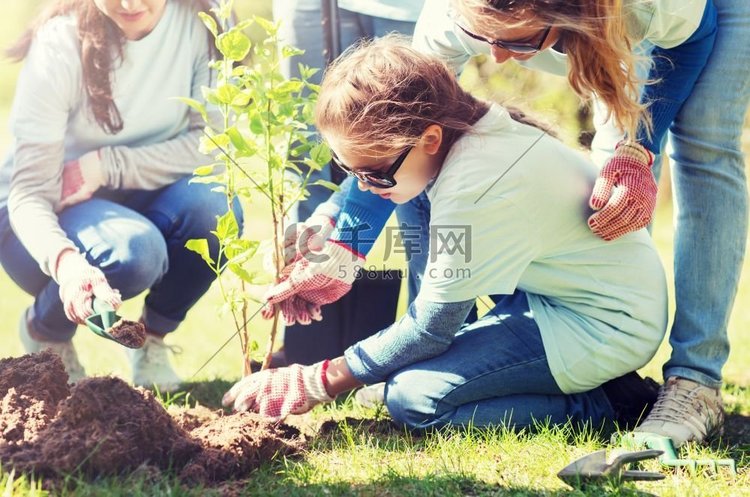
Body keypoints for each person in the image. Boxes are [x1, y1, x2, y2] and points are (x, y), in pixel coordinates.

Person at [265, 0, 750, 446]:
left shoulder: (639, 9)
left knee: (705, 146)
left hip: (688, 23)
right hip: (565, 296)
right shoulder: (450, 23)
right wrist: (345, 241)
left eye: (517, 42)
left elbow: (688, 40)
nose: (495, 59)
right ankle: (453, 360)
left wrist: (638, 148)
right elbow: (396, 138)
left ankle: (693, 380)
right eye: (483, 38)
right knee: (418, 193)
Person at [223, 36, 667, 432]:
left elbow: (432, 328)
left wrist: (318, 380)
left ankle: (608, 403)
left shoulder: (475, 188)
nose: (362, 187)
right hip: (556, 296)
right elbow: (393, 184)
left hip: (604, 323)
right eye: (348, 169)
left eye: (373, 174)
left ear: (430, 138)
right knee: (410, 198)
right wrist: (341, 245)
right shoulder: (462, 137)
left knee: (415, 400)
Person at [0, 0, 242, 391]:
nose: (129, 4)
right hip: (44, 213)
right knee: (134, 254)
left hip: (143, 191)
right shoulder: (59, 41)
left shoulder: (206, 22)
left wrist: (107, 166)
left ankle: (150, 340)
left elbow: (213, 145)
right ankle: (45, 330)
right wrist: (68, 265)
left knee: (217, 209)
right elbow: (28, 194)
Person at [264, 0, 424, 368]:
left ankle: (426, 335)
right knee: (311, 149)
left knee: (409, 147)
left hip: (406, 9)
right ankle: (311, 340)